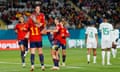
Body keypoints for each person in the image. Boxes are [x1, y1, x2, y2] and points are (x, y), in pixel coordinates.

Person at [27, 5, 45, 71]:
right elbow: (39, 24)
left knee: (38, 52)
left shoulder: (37, 17)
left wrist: (34, 20)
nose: (38, 9)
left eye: (39, 8)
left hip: (37, 38)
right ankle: (36, 66)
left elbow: (40, 24)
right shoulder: (32, 18)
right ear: (35, 9)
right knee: (34, 52)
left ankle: (38, 66)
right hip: (34, 38)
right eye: (37, 8)